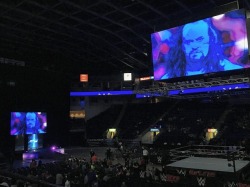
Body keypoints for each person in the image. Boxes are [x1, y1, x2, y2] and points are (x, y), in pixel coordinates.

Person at [160, 19, 242, 79]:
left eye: (200, 39)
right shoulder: (167, 78)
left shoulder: (229, 70)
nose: (194, 46)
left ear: (211, 41)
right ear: (182, 46)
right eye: (189, 41)